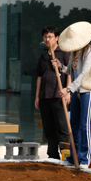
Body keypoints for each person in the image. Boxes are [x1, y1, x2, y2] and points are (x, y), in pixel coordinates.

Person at [51, 22, 91, 169]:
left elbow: (84, 74)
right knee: (74, 124)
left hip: (88, 91)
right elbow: (72, 71)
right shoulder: (74, 53)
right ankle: (73, 157)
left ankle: (85, 159)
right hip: (77, 91)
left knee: (85, 125)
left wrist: (68, 89)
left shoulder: (90, 51)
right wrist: (61, 67)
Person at [35, 25, 71, 159]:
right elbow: (39, 77)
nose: (47, 39)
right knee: (49, 128)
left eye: (49, 36)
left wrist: (68, 91)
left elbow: (70, 72)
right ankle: (53, 156)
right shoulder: (43, 56)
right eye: (45, 37)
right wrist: (37, 96)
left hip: (59, 95)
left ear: (57, 38)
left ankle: (66, 156)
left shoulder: (64, 53)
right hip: (45, 95)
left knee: (62, 127)